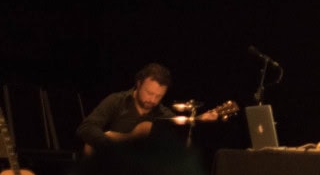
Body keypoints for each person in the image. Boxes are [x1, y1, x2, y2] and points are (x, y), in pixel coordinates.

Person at [76, 63, 218, 153]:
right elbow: (86, 128)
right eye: (149, 93)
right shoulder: (117, 101)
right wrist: (110, 147)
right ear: (138, 84)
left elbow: (182, 128)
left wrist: (199, 119)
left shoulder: (163, 115)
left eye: (158, 96)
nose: (152, 100)